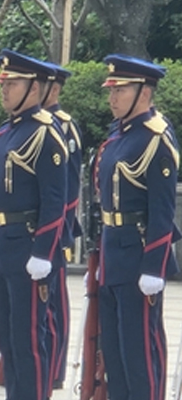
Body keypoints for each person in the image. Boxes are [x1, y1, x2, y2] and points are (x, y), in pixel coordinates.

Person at [95, 54, 179, 400]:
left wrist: (154, 268)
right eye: (111, 90)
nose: (112, 98)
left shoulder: (156, 139)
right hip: (112, 257)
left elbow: (162, 210)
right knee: (115, 359)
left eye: (120, 90)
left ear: (144, 92)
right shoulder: (118, 135)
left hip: (138, 259)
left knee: (140, 357)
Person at [0, 49, 66, 400]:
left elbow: (55, 200)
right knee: (8, 339)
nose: (4, 89)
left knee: (29, 339)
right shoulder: (7, 131)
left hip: (28, 245)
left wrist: (43, 251)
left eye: (13, 83)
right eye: (3, 83)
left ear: (34, 88)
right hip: (4, 243)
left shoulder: (45, 134)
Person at [40, 62, 82, 391]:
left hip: (55, 229)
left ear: (53, 89)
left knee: (54, 302)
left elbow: (69, 188)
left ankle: (55, 367)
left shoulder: (64, 127)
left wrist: (61, 232)